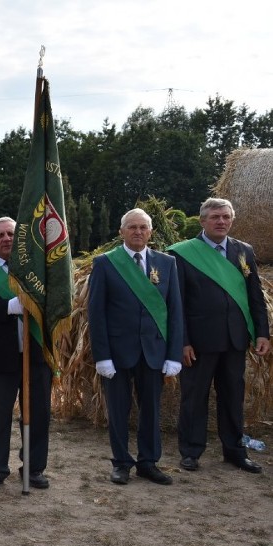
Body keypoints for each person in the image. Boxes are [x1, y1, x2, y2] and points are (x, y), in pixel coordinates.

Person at [169, 197, 270, 474]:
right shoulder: (182, 253)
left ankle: (235, 452)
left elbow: (255, 296)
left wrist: (262, 332)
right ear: (203, 221)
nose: (221, 222)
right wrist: (182, 341)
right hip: (199, 343)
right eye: (215, 217)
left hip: (235, 339)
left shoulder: (244, 250)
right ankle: (190, 452)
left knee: (233, 397)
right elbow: (175, 303)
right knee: (194, 397)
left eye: (226, 217)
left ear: (232, 220)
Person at [87, 208, 182, 486]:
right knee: (118, 410)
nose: (138, 231)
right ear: (121, 232)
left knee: (151, 409)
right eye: (132, 227)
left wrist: (173, 354)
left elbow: (175, 310)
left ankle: (148, 462)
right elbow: (97, 313)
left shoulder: (166, 263)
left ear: (150, 232)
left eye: (143, 227)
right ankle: (121, 463)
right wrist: (102, 356)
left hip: (154, 351)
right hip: (117, 353)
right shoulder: (105, 263)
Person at [0, 217, 51, 491]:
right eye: (0, 235)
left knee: (37, 414)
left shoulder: (37, 271)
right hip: (0, 358)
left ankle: (34, 468)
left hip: (36, 355)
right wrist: (8, 307)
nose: (6, 239)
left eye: (11, 233)